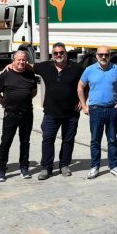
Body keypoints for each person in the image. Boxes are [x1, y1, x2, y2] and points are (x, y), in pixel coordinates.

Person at [34, 42, 84, 180]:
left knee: (68, 140)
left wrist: (83, 101)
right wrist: (11, 65)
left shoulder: (77, 68)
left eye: (61, 52)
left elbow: (88, 83)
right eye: (55, 53)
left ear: (66, 54)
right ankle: (46, 168)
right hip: (50, 112)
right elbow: (26, 67)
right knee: (47, 139)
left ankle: (64, 165)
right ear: (52, 55)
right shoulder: (45, 66)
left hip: (71, 113)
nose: (59, 55)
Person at [78, 45, 117, 179]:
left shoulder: (116, 69)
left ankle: (114, 166)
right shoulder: (89, 70)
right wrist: (83, 105)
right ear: (96, 56)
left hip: (111, 110)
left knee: (112, 139)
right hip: (95, 110)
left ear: (110, 55)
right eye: (101, 55)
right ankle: (95, 167)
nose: (104, 57)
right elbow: (80, 87)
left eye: (106, 55)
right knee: (95, 140)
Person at [0, 50, 38, 181]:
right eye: (19, 60)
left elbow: (33, 91)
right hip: (10, 114)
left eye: (24, 60)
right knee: (6, 142)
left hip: (27, 113)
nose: (21, 62)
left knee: (25, 142)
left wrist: (24, 98)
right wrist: (5, 104)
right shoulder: (5, 74)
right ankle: (1, 169)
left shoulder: (30, 74)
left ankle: (24, 167)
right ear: (13, 60)